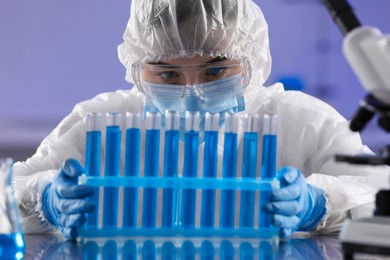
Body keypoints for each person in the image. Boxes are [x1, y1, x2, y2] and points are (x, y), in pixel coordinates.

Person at [13, 0, 390, 239]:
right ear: (136, 66)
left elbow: (378, 191)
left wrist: (318, 204)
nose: (191, 90)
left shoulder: (300, 120)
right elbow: (9, 193)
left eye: (215, 71)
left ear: (250, 60)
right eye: (166, 74)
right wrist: (44, 197)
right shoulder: (102, 121)